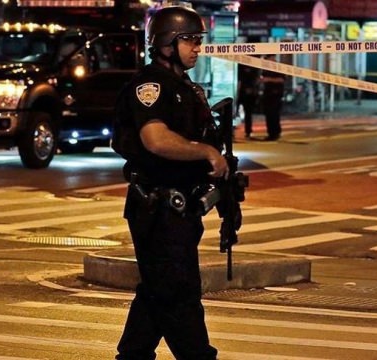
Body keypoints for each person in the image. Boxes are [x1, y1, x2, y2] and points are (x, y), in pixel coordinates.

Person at [111, 5, 227, 360]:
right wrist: (205, 152)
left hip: (178, 210)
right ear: (165, 43)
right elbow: (155, 139)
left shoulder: (184, 87)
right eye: (189, 40)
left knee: (157, 292)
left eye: (198, 40)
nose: (197, 47)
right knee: (178, 293)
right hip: (158, 208)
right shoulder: (152, 86)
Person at [260, 54, 286, 141]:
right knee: (269, 114)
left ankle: (275, 133)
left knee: (274, 114)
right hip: (267, 94)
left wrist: (269, 80)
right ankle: (271, 133)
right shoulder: (266, 69)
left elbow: (281, 80)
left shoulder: (278, 67)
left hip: (276, 95)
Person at [237, 62, 259, 138]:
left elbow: (256, 80)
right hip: (243, 91)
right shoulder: (242, 66)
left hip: (246, 92)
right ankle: (247, 131)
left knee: (248, 113)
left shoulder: (253, 66)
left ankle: (248, 131)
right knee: (246, 113)